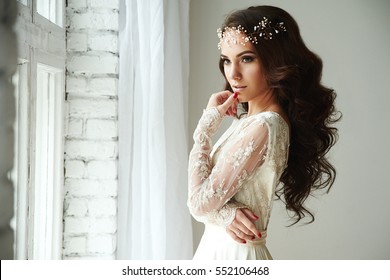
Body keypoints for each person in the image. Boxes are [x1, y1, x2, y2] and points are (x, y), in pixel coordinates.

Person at [187, 5, 340, 260]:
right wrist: (224, 213)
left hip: (235, 253)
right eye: (227, 60)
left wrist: (203, 130)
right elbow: (203, 202)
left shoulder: (265, 124)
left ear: (275, 60)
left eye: (246, 58)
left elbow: (197, 203)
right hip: (221, 249)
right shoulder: (250, 120)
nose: (233, 74)